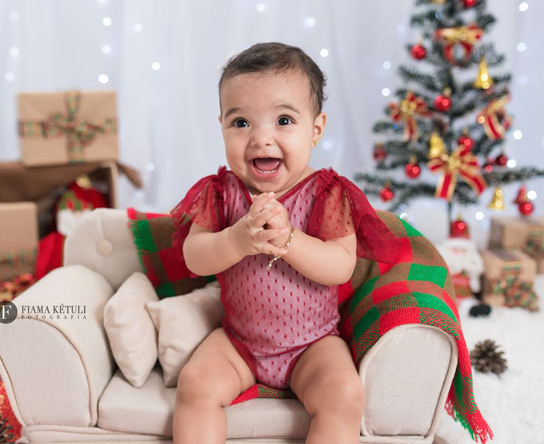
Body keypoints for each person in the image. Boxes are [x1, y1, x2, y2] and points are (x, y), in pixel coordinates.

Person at [170, 42, 403, 444]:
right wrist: (237, 240)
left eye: (283, 120)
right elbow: (195, 257)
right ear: (221, 125)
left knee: (346, 396)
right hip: (239, 341)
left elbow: (339, 266)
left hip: (312, 343)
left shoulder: (328, 193)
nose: (261, 139)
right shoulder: (221, 193)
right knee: (195, 386)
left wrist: (289, 239)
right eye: (241, 123)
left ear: (315, 129)